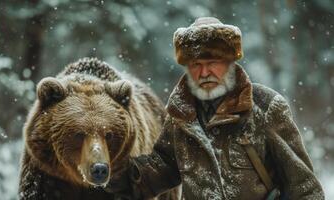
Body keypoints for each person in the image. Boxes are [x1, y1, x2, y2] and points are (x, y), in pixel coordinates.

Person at [107, 17, 325, 200]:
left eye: (212, 62)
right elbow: (159, 169)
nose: (204, 73)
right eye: (196, 65)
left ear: (230, 61)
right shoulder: (180, 115)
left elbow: (304, 187)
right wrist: (108, 170)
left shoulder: (265, 106)